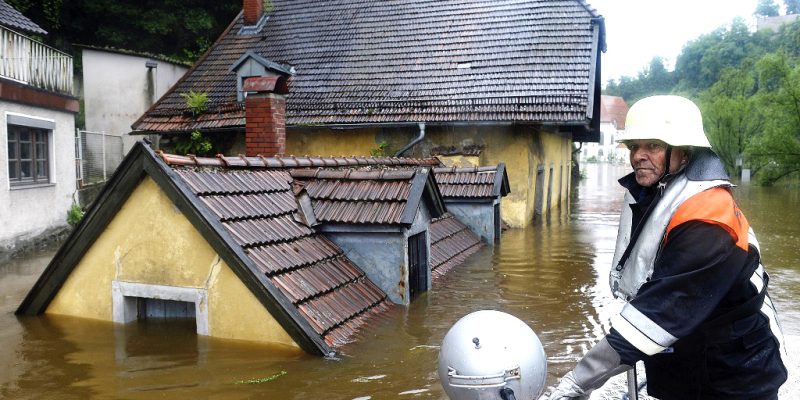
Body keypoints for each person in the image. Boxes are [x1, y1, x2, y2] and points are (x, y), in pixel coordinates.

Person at [546, 95, 787, 399]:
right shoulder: (661, 193)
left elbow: (658, 314)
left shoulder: (708, 222)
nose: (638, 156)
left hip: (736, 374)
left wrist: (578, 381)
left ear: (684, 154)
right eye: (634, 147)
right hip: (689, 358)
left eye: (653, 146)